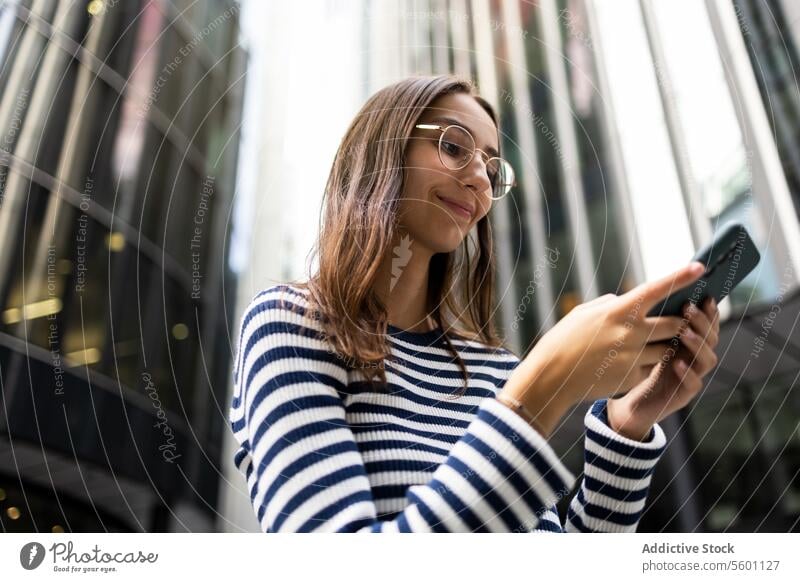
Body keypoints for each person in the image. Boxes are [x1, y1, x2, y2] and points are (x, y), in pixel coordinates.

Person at [229, 74, 720, 533]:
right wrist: (543, 386)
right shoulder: (289, 326)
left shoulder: (495, 372)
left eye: (491, 167)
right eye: (453, 146)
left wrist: (627, 428)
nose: (481, 182)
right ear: (382, 152)